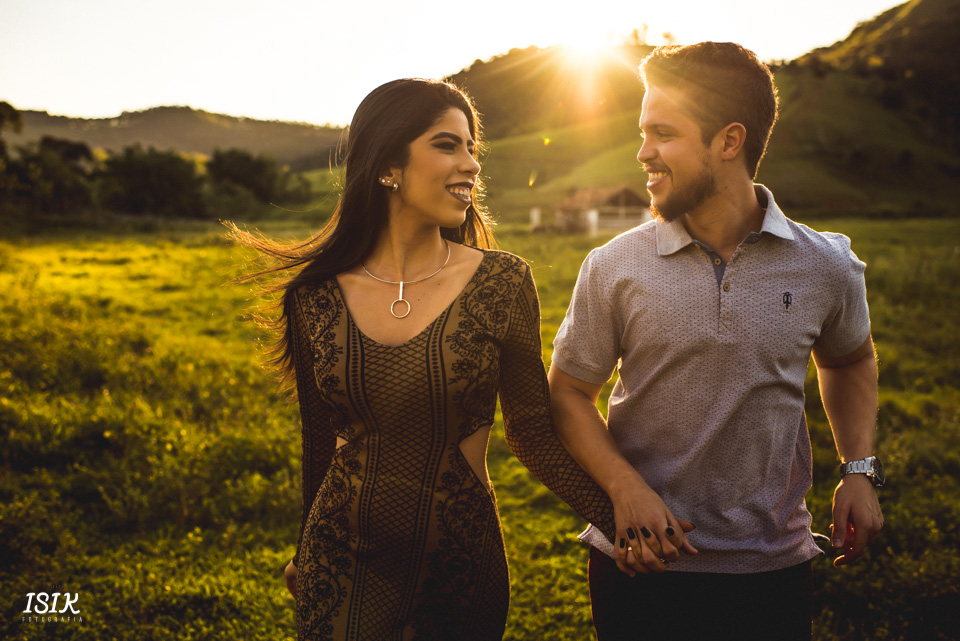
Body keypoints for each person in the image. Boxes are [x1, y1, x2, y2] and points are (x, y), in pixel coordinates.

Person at [229, 78, 613, 641]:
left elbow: (531, 432)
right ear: (388, 164)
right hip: (340, 562)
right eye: (447, 145)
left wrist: (618, 519)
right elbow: (319, 438)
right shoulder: (314, 297)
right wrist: (302, 549)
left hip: (460, 563)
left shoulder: (502, 282)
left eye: (472, 147)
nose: (471, 165)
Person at [548, 42, 884, 640]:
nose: (642, 152)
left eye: (663, 133)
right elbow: (569, 392)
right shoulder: (613, 265)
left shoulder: (826, 264)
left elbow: (849, 358)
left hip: (771, 567)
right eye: (643, 132)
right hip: (639, 560)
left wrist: (857, 468)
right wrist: (624, 491)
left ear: (729, 142)